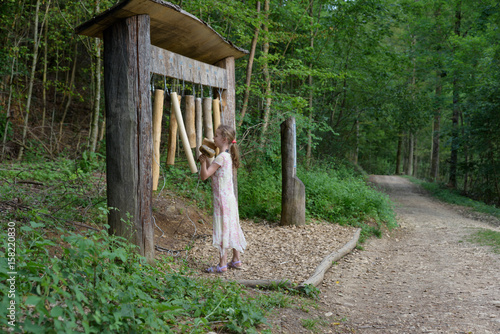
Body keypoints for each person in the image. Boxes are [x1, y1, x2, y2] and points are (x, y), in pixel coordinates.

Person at [199, 125, 247, 273]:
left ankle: (222, 264)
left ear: (224, 139)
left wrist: (202, 163)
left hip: (222, 200)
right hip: (229, 199)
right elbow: (214, 173)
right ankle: (236, 260)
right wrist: (207, 159)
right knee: (232, 226)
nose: (213, 138)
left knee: (223, 228)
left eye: (216, 136)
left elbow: (205, 175)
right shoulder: (226, 156)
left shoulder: (221, 157)